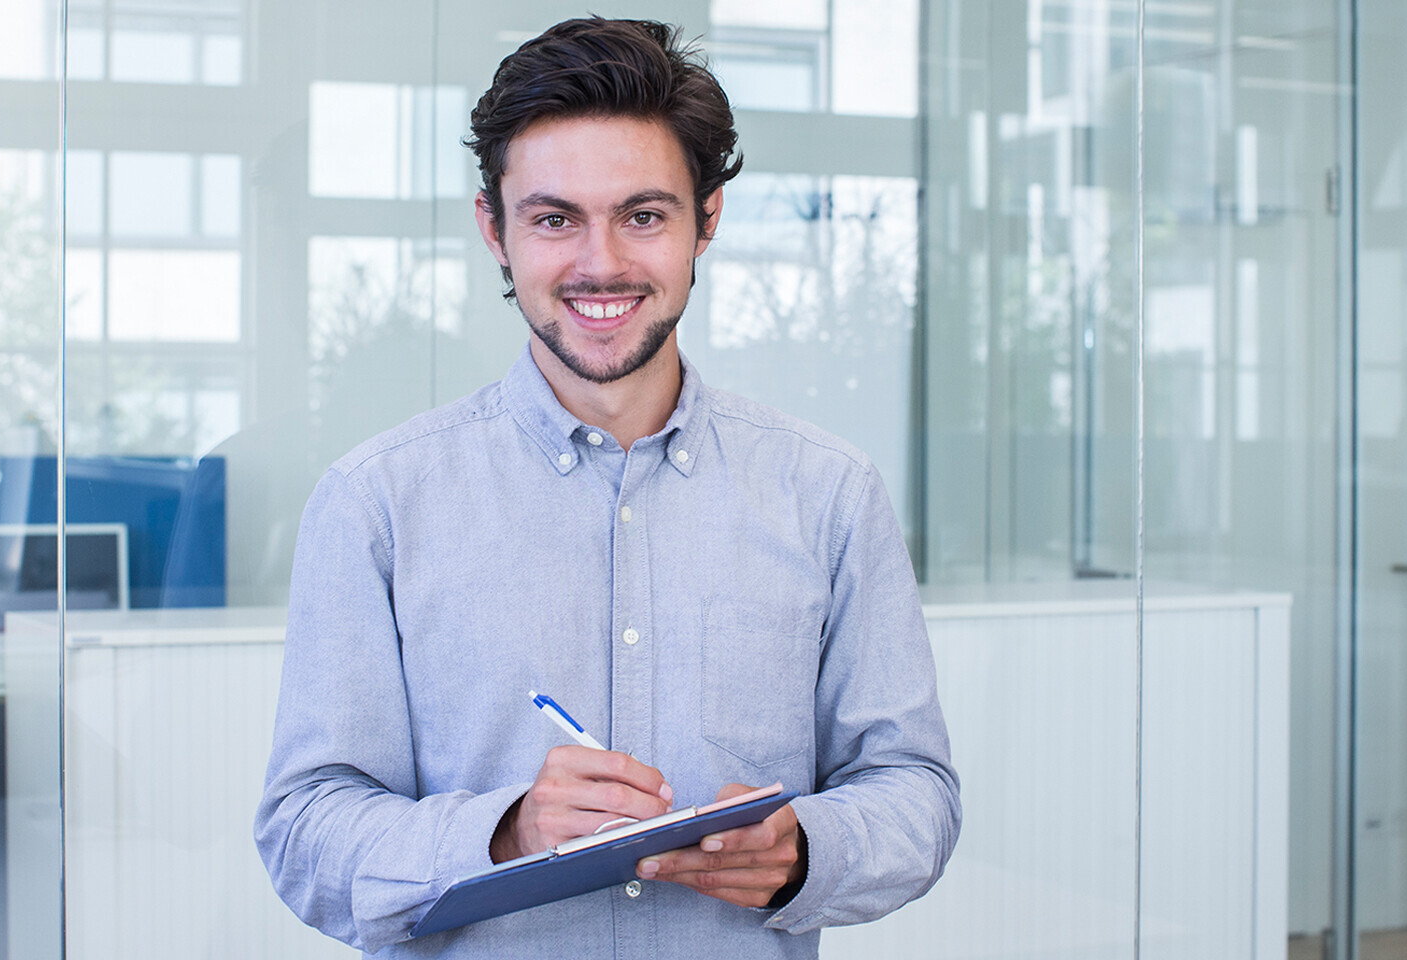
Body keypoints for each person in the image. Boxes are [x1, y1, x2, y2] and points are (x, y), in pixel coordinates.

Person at [256, 17, 960, 958]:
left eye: (643, 214)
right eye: (554, 218)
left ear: (706, 220)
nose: (601, 264)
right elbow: (304, 832)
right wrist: (504, 835)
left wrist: (805, 854)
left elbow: (915, 790)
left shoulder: (829, 495)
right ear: (493, 229)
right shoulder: (377, 504)